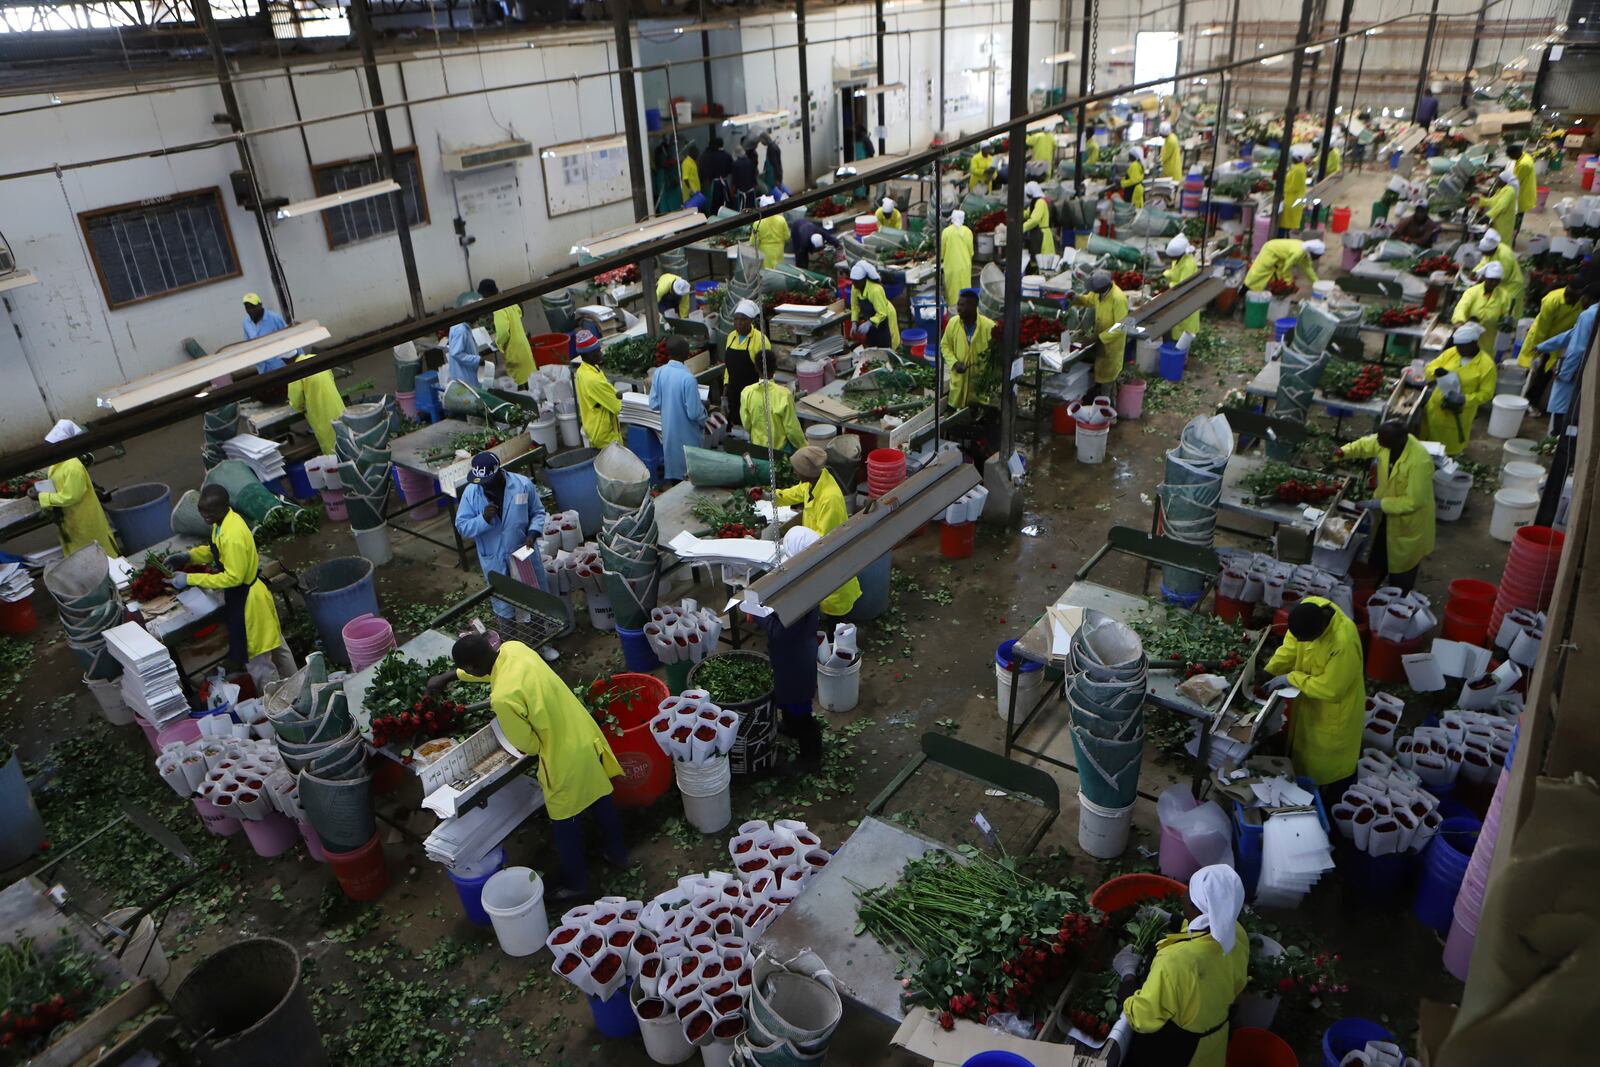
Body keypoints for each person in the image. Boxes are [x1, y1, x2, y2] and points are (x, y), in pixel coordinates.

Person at [427, 633, 625, 902]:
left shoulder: (502, 698)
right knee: (601, 794)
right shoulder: (514, 649)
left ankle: (576, 883)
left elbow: (529, 745)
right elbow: (492, 672)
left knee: (564, 822)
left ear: (472, 666)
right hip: (583, 733)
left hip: (563, 757)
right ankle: (617, 853)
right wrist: (451, 676)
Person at [1107, 864, 1248, 1067]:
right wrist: (1172, 920)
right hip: (1212, 1042)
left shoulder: (1175, 962)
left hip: (1180, 1050)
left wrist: (1127, 973)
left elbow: (1141, 1017)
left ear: (1195, 906)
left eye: (1188, 894)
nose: (1183, 896)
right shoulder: (1237, 933)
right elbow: (1209, 927)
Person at [166, 485, 295, 690]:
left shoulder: (232, 535)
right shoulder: (223, 523)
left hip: (248, 602)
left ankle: (278, 701)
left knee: (259, 660)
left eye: (210, 511)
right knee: (276, 644)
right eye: (202, 511)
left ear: (224, 506)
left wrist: (191, 579)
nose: (205, 516)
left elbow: (233, 578)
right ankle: (299, 684)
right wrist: (189, 556)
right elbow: (215, 550)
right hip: (252, 595)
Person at [1261, 598, 1366, 792]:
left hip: (1333, 710)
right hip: (1309, 702)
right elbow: (1290, 648)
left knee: (1329, 766)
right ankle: (1304, 787)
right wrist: (1268, 671)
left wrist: (1291, 678)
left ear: (1319, 632)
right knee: (1303, 753)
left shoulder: (1343, 641)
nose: (1302, 643)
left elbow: (1332, 688)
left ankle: (1333, 795)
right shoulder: (1307, 610)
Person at [455, 451, 557, 639]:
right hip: (494, 558)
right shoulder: (471, 492)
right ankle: (510, 648)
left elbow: (537, 512)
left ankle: (543, 645)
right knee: (504, 605)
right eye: (480, 481)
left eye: (486, 481)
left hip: (523, 552)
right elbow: (462, 527)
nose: (482, 486)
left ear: (497, 473)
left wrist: (532, 534)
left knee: (533, 597)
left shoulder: (522, 485)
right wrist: (483, 519)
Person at [1337, 421, 1436, 593]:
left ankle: (1399, 598)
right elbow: (1364, 445)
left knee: (1403, 568)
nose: (1378, 442)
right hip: (1386, 516)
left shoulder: (1420, 461)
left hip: (1408, 523)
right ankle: (1374, 591)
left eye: (1383, 439)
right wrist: (1342, 452)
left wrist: (1380, 503)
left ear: (1399, 440)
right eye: (1379, 437)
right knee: (1379, 557)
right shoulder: (1386, 441)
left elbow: (1414, 501)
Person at [756, 527, 826, 771]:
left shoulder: (800, 594)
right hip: (795, 654)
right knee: (788, 701)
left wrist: (756, 615)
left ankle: (811, 755)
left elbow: (778, 630)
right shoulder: (808, 579)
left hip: (794, 663)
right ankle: (791, 726)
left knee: (800, 710)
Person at [773, 446, 860, 624]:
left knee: (836, 617)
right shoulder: (814, 483)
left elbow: (825, 541)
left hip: (830, 564)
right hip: (816, 560)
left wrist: (794, 543)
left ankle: (839, 643)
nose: (795, 472)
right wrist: (773, 496)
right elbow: (796, 492)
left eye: (797, 469)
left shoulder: (830, 499)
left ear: (806, 473)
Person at [30, 420, 118, 558]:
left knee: (96, 556)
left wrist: (41, 497)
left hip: (84, 520)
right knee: (81, 557)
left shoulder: (72, 467)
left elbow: (71, 496)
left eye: (51, 446)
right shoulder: (58, 462)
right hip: (72, 520)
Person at [1421, 322, 1497, 456]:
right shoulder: (1452, 353)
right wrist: (1436, 371)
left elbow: (1486, 394)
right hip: (1436, 408)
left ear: (1474, 343)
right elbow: (1429, 367)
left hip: (1458, 414)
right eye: (1457, 346)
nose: (1459, 350)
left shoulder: (1487, 365)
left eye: (1463, 346)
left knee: (1447, 449)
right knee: (1426, 445)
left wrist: (1464, 399)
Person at [1535, 289, 1600, 436]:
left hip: (1576, 370)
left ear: (1589, 297)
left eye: (1582, 296)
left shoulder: (1588, 315)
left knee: (1563, 408)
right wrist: (1544, 346)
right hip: (1585, 370)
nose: (1580, 300)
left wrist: (1564, 373)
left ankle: (1558, 441)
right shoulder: (1592, 314)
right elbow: (1572, 334)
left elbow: (1577, 348)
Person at [1518, 284, 1585, 416]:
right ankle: (1524, 402)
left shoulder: (1580, 302)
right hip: (1541, 339)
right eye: (1569, 298)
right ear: (1566, 293)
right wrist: (1541, 348)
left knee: (1545, 373)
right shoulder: (1552, 300)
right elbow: (1543, 327)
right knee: (1534, 371)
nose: (1571, 302)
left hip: (1558, 342)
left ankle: (1532, 402)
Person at [651, 335, 706, 484]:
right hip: (688, 437)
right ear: (687, 353)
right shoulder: (688, 379)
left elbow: (653, 404)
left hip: (669, 435)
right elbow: (694, 413)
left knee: (676, 480)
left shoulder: (659, 373)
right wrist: (704, 410)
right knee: (690, 479)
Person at [1071, 270, 1129, 400]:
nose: (1093, 292)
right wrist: (1075, 298)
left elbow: (1122, 326)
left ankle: (1108, 412)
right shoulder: (1098, 294)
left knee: (1108, 381)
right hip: (1100, 339)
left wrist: (1098, 337)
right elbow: (1088, 301)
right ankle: (1101, 404)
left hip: (1112, 345)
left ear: (1103, 287)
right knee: (1102, 376)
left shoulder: (1118, 299)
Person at [741, 348, 805, 452]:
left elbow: (746, 424)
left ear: (756, 368)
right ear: (775, 368)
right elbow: (792, 429)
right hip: (779, 451)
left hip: (757, 448)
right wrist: (804, 446)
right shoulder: (784, 394)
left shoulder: (747, 393)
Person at [942, 289, 996, 410]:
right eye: (958, 304)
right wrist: (954, 363)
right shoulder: (953, 323)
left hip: (978, 392)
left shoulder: (989, 327)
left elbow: (996, 355)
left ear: (973, 306)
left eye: (962, 305)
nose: (958, 308)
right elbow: (945, 346)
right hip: (957, 390)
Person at [475, 280, 534, 387]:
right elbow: (519, 313)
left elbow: (503, 333)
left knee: (520, 384)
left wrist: (498, 344)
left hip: (514, 350)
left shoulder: (498, 309)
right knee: (530, 380)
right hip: (523, 347)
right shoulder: (509, 303)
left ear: (486, 295)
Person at [285, 353, 345, 455]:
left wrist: (297, 406)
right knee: (345, 435)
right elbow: (330, 376)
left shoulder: (295, 370)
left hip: (321, 413)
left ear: (285, 361)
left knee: (331, 445)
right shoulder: (315, 358)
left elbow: (296, 402)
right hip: (337, 404)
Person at [722, 299, 768, 426]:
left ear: (751, 321)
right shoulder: (731, 337)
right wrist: (724, 394)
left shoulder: (760, 340)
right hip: (734, 393)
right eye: (736, 319)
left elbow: (766, 371)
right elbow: (728, 368)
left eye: (743, 319)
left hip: (753, 394)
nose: (739, 323)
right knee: (736, 424)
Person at [1451, 260, 1512, 357]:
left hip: (1488, 340)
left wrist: (1506, 322)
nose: (1493, 283)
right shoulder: (1472, 292)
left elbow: (1506, 314)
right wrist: (1459, 322)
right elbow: (1461, 307)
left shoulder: (1504, 296)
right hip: (1468, 340)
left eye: (1496, 281)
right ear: (1484, 278)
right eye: (1490, 280)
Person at [574, 333, 621, 448]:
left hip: (593, 426)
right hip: (605, 434)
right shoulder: (592, 380)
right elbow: (618, 407)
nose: (601, 354)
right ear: (589, 354)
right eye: (598, 351)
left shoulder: (583, 370)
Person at [241, 293, 298, 374]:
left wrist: (300, 359)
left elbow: (289, 337)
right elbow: (248, 344)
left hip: (279, 365)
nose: (250, 310)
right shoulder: (246, 323)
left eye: (253, 306)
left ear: (260, 305)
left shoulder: (274, 318)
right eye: (247, 307)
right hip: (262, 367)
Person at [848, 261, 900, 349]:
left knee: (888, 345)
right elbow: (855, 306)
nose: (854, 284)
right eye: (853, 282)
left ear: (864, 280)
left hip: (885, 315)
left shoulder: (875, 290)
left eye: (857, 282)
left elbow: (882, 313)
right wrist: (854, 322)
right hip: (872, 319)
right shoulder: (855, 287)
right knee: (872, 345)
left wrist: (869, 323)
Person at [1242, 238, 1323, 292]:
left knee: (1277, 276)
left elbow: (1308, 269)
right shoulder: (1298, 252)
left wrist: (1317, 283)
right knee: (1258, 272)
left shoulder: (1305, 253)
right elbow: (1287, 268)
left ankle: (1263, 293)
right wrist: (1288, 282)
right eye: (1317, 256)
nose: (1317, 258)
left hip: (1281, 256)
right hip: (1270, 250)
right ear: (1313, 253)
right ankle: (1243, 292)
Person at [1474, 230, 1524, 318]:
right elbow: (1484, 262)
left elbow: (1500, 276)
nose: (1483, 254)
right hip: (1501, 285)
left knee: (1508, 313)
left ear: (1492, 249)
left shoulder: (1504, 255)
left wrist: (1482, 278)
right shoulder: (1492, 251)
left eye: (1485, 252)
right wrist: (1475, 271)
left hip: (1511, 286)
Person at [1162, 235, 1200, 340]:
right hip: (1178, 298)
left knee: (1185, 328)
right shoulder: (1178, 259)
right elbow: (1175, 273)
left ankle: (1182, 351)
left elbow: (1183, 285)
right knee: (1178, 326)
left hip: (1186, 299)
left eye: (1172, 257)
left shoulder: (1188, 264)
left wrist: (1168, 285)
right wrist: (1165, 275)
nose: (1171, 259)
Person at [940, 209, 974, 307]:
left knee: (952, 291)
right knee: (965, 289)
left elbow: (942, 251)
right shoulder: (968, 231)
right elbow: (971, 251)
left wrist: (942, 258)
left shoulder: (946, 232)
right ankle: (966, 310)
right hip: (965, 266)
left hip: (951, 267)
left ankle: (953, 312)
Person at [1480, 168, 1519, 247]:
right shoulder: (1501, 190)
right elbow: (1492, 201)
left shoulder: (1509, 191)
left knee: (1502, 245)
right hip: (1498, 223)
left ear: (1505, 181)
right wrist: (1479, 200)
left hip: (1504, 225)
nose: (1496, 181)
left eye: (1498, 180)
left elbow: (1501, 205)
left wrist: (1488, 215)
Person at [751, 195, 790, 269]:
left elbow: (753, 242)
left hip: (765, 253)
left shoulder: (757, 223)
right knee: (779, 272)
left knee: (767, 275)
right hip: (779, 251)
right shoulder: (781, 220)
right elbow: (787, 236)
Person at [1280, 143, 1312, 231]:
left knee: (1287, 225)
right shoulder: (1298, 167)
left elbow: (1293, 187)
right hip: (1293, 198)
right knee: (1288, 224)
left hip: (1292, 200)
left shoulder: (1298, 170)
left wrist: (1282, 189)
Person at [1022, 182, 1056, 261]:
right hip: (1038, 233)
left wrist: (1022, 227)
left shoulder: (1040, 202)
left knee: (1043, 260)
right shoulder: (1036, 202)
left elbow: (1035, 219)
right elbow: (1028, 213)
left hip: (1042, 235)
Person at [701, 137, 735, 214]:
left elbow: (708, 171)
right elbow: (730, 170)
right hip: (725, 182)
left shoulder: (711, 156)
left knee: (715, 204)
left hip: (715, 183)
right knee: (726, 202)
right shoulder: (727, 155)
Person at [1509, 143, 1537, 233]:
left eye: (1511, 156)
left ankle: (1514, 233)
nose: (1510, 158)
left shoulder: (1523, 164)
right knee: (1519, 214)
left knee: (1517, 215)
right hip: (1526, 187)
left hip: (1523, 192)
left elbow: (1515, 180)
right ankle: (1514, 231)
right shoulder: (1525, 155)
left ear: (1516, 153)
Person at [446, 320, 481, 390]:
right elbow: (456, 353)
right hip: (465, 377)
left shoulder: (460, 327)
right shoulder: (461, 330)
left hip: (463, 375)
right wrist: (478, 359)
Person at [730, 142, 759, 210]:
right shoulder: (750, 162)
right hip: (751, 193)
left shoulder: (735, 164)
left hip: (741, 194)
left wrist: (732, 192)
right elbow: (754, 178)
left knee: (742, 212)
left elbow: (734, 181)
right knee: (752, 211)